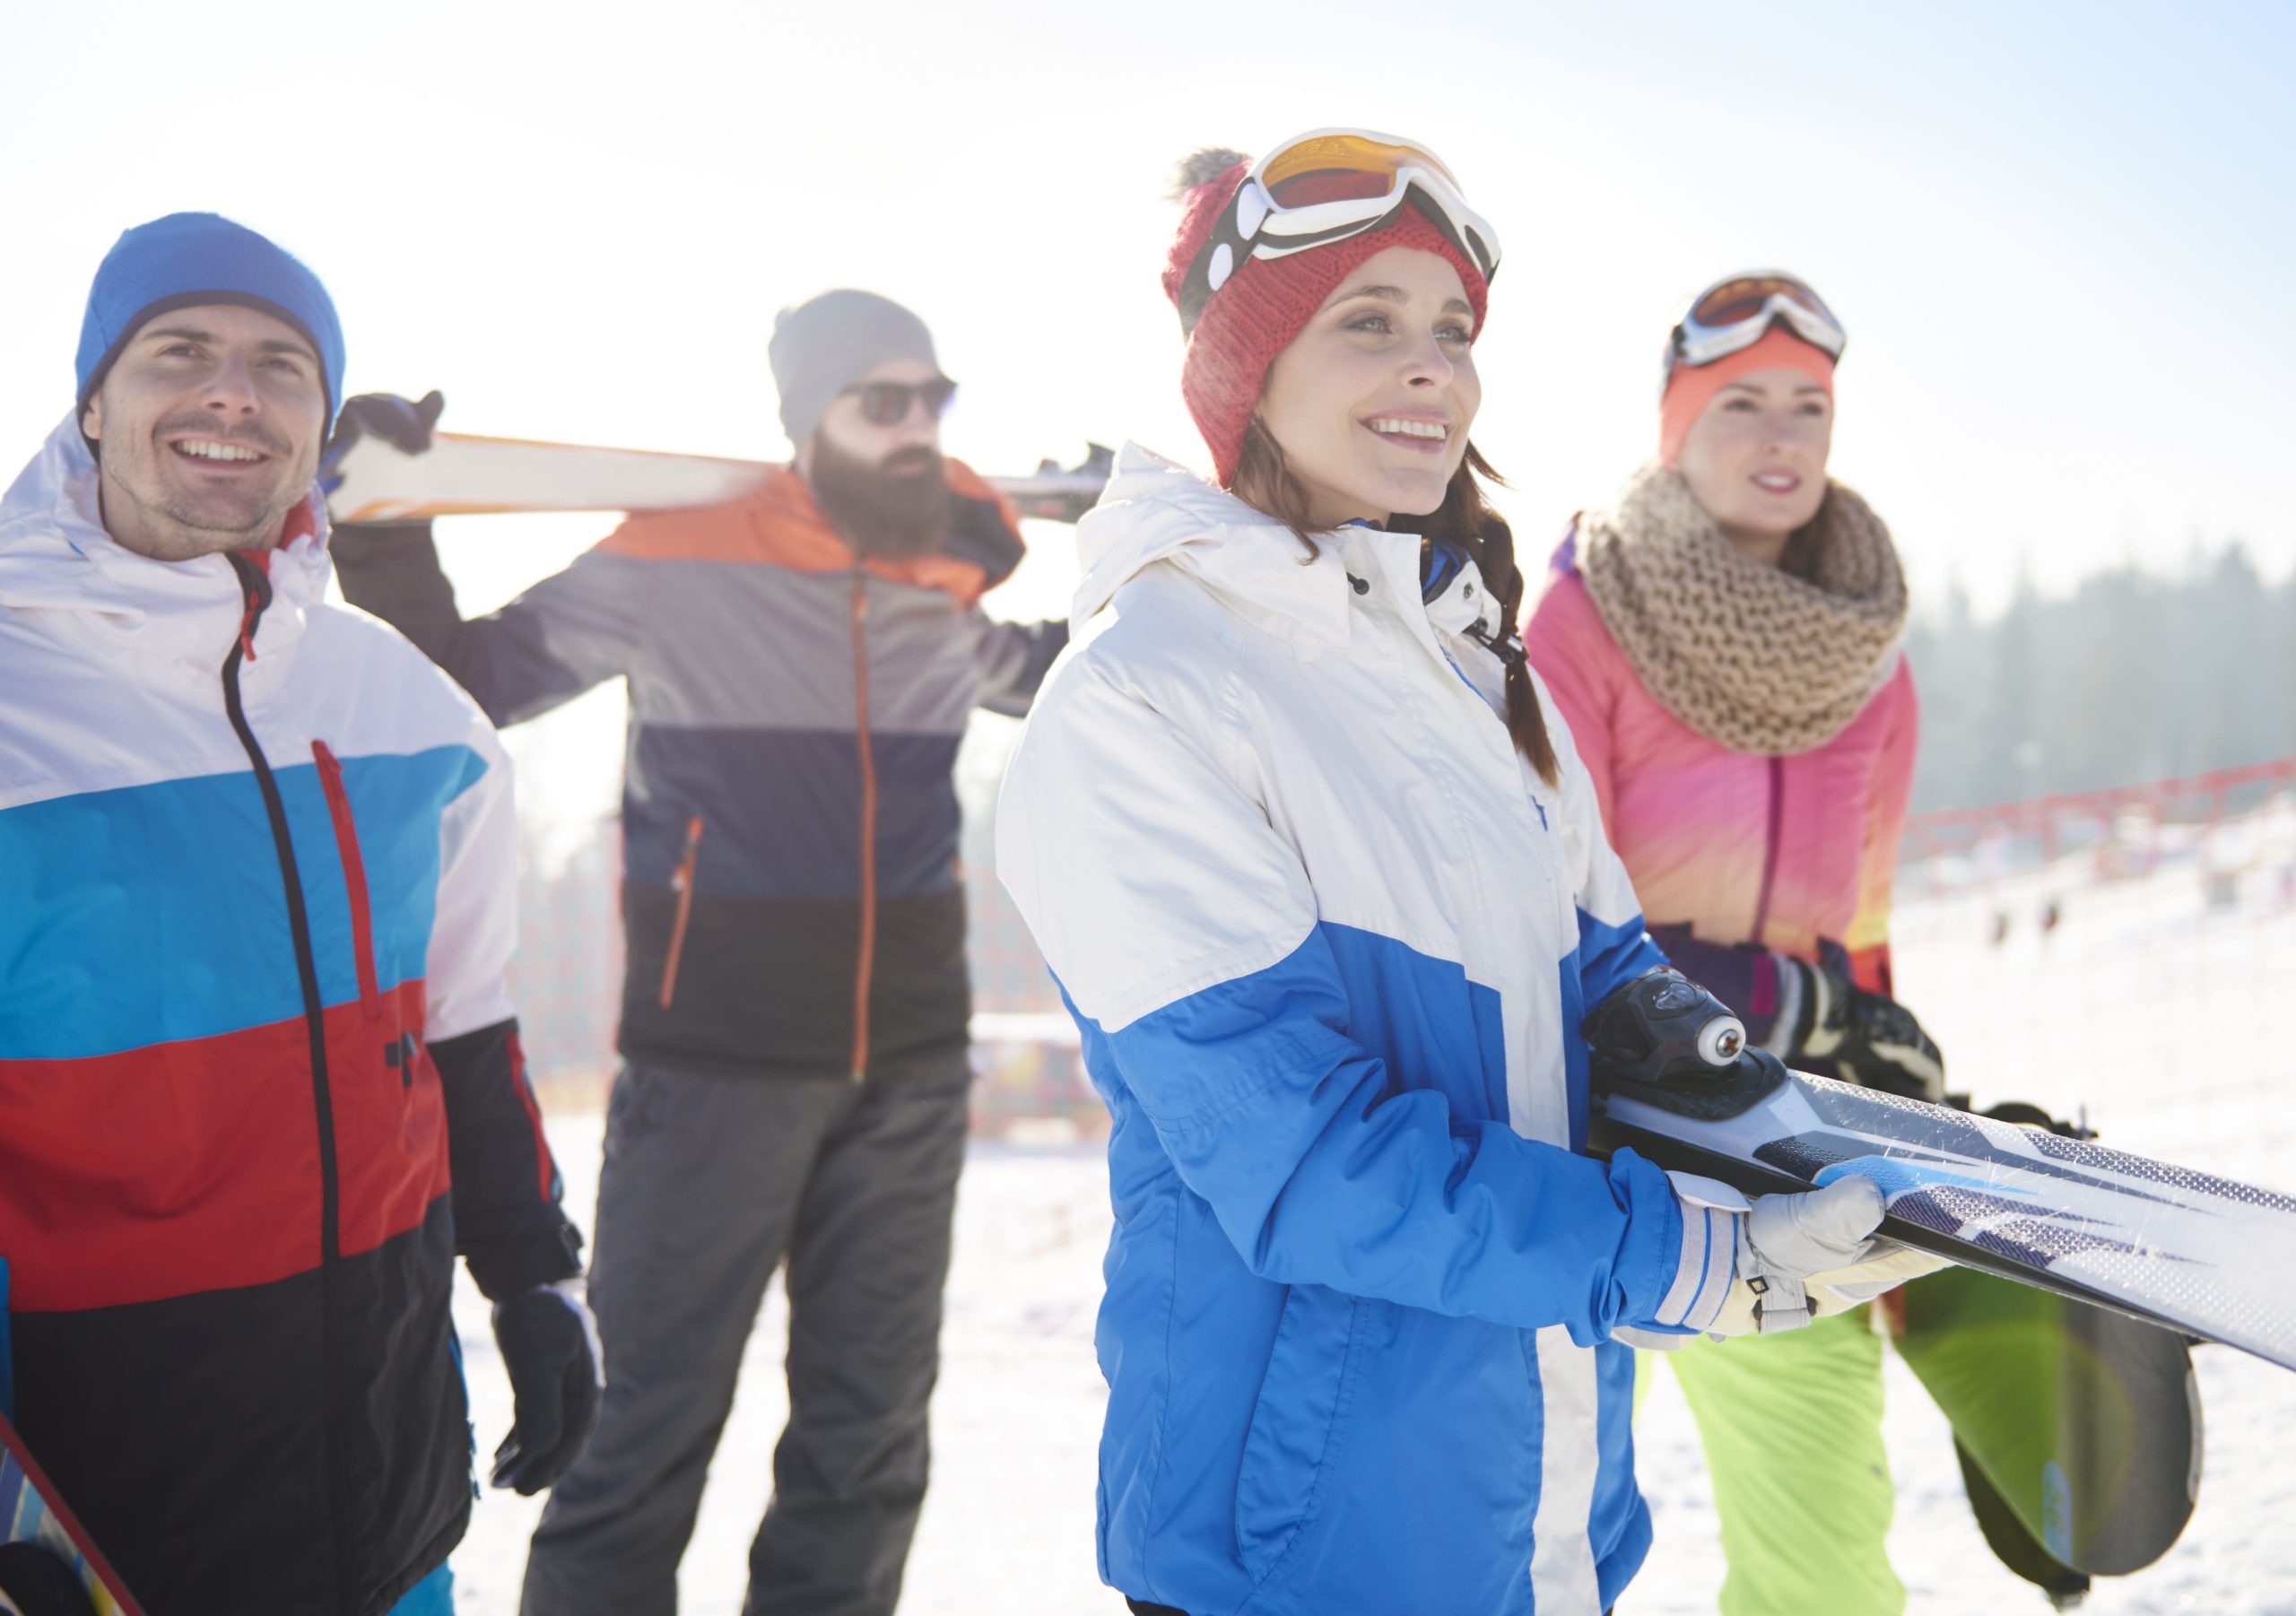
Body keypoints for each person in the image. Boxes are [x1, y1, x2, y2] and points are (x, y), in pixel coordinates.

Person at [994, 132, 1924, 1616]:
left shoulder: (1473, 669)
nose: (1432, 368)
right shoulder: (1140, 701)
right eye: (1368, 321)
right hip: (1301, 1545)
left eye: (1452, 332)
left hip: (1540, 1509)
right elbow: (1307, 1161)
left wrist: (1754, 1112)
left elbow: (1609, 979)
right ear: (1247, 366)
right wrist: (1684, 1261)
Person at [329, 290, 1068, 1614]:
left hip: (907, 1069)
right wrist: (391, 523)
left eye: (933, 399)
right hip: (714, 1065)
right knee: (637, 1434)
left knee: (871, 1442)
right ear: (809, 421)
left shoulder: (941, 581)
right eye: (881, 400)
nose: (916, 426)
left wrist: (1158, 547)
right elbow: (455, 680)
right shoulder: (674, 558)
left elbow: (1085, 682)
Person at [0, 213, 596, 1615]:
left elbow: (465, 1021)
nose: (232, 393)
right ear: (92, 399)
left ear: (318, 419)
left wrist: (530, 1276)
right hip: (97, 1531)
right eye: (179, 352)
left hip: (383, 1497)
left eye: (281, 365)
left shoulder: (403, 706)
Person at [1522, 271, 1945, 1616]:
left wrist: (1909, 1102)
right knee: (1535, 1554)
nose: (1780, 437)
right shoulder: (1582, 619)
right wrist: (1780, 989)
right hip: (1589, 1150)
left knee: (1828, 1571)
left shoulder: (1872, 666)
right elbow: (1540, 906)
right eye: (1741, 402)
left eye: (1808, 407)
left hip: (1788, 1158)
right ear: (1675, 427)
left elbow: (1860, 937)